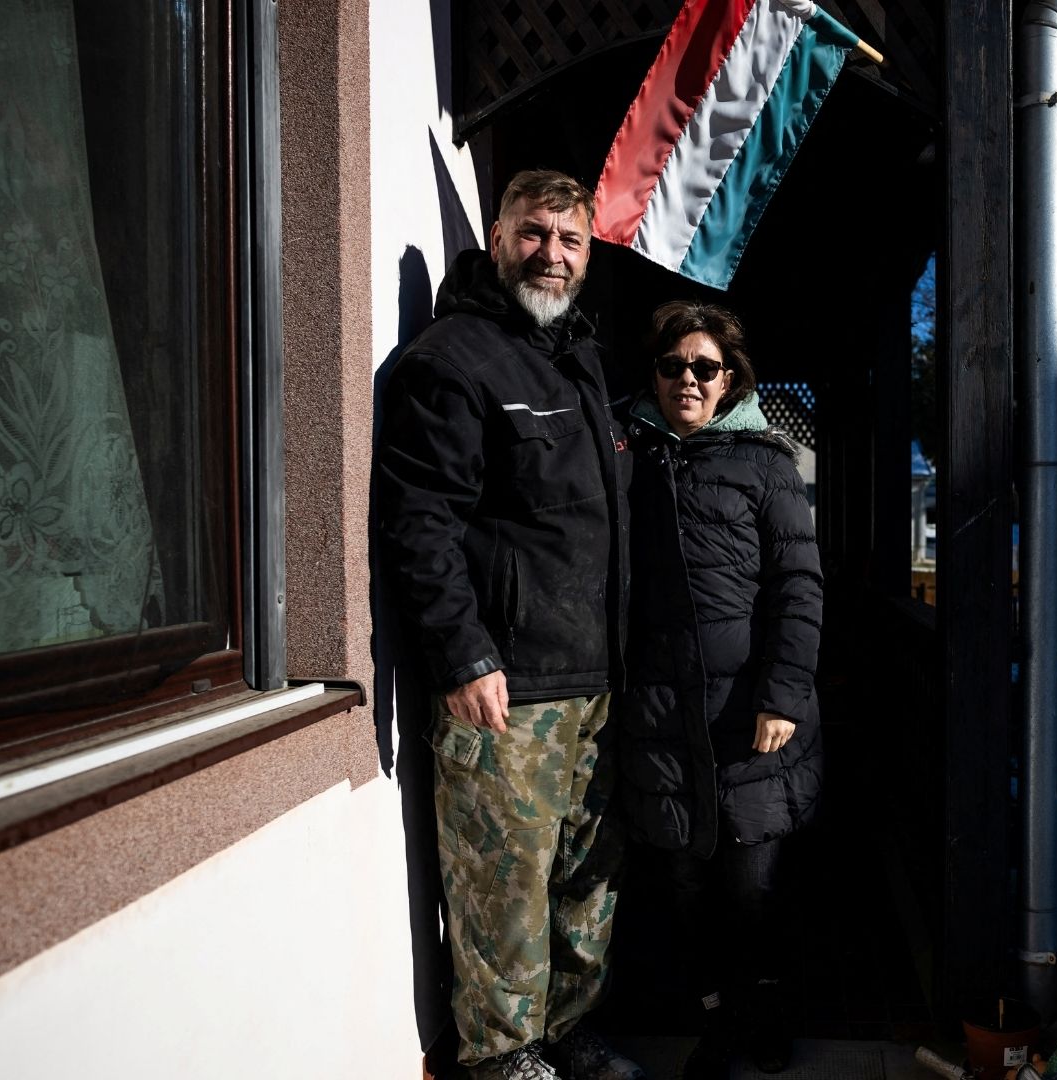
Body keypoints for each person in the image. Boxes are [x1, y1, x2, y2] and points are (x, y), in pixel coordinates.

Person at [374, 170, 641, 1080]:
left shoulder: (579, 357)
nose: (552, 255)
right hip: (508, 686)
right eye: (535, 234)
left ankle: (566, 1030)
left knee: (584, 878)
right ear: (497, 236)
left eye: (570, 241)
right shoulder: (452, 360)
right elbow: (419, 523)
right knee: (503, 884)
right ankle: (501, 1055)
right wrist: (463, 653)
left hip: (594, 678)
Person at [616, 302, 824, 1077]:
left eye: (705, 367)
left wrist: (784, 696)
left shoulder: (767, 464)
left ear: (730, 378)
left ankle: (759, 1019)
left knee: (753, 888)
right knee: (683, 890)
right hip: (660, 717)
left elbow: (800, 589)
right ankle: (716, 1020)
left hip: (749, 720)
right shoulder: (628, 454)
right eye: (674, 367)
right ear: (657, 376)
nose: (689, 380)